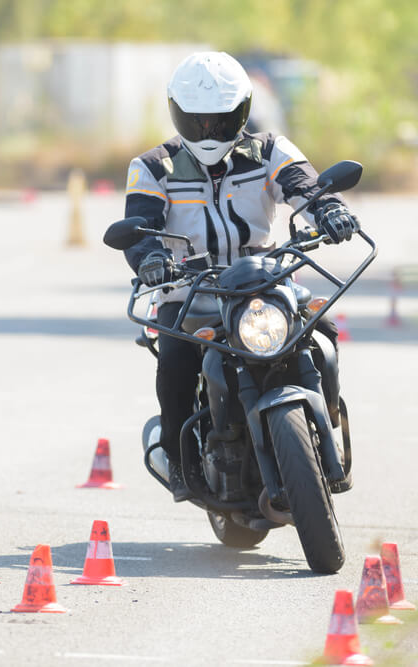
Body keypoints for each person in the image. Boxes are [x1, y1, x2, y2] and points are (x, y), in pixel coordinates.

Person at [121, 52, 359, 502]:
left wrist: (329, 209)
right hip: (191, 290)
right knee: (174, 359)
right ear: (177, 113)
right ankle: (178, 459)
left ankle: (325, 420)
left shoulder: (270, 149)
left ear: (243, 112)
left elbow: (303, 187)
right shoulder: (153, 167)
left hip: (266, 279)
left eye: (221, 120)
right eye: (199, 121)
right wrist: (151, 258)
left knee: (322, 331)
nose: (209, 131)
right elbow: (140, 226)